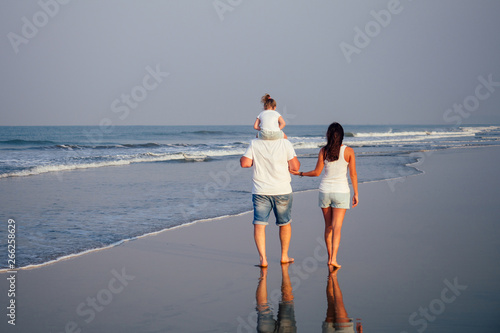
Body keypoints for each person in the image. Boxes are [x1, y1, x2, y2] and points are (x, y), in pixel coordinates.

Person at [291, 122, 358, 268]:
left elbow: (316, 173)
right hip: (341, 192)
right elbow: (353, 174)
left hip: (325, 192)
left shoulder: (324, 151)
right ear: (341, 135)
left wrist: (300, 173)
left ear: (328, 135)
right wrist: (356, 193)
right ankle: (333, 259)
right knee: (337, 227)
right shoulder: (349, 151)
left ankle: (329, 258)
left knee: (328, 227)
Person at [240, 132, 300, 267]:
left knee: (259, 224)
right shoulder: (285, 143)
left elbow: (245, 163)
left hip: (261, 190)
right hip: (282, 190)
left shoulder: (255, 143)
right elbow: (295, 167)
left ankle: (263, 259)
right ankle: (284, 256)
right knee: (284, 223)